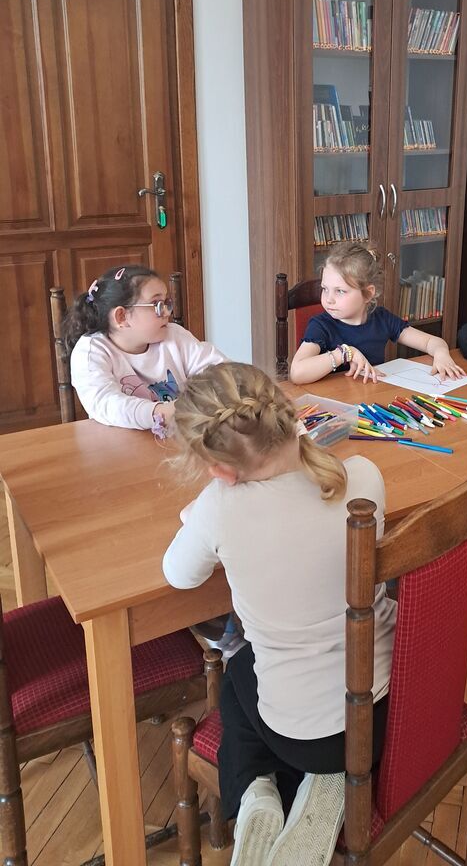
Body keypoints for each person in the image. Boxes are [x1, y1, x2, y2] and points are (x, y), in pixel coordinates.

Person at [163, 362, 396, 866]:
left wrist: (204, 507)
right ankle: (322, 785)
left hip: (304, 739)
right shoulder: (363, 476)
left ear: (221, 469)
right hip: (383, 716)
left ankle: (255, 790)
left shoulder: (219, 507)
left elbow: (178, 575)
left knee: (238, 672)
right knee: (257, 675)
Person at [64, 264, 226, 437]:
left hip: (179, 439)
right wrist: (162, 413)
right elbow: (105, 404)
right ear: (122, 317)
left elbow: (222, 372)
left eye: (167, 303)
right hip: (122, 443)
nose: (167, 312)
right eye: (157, 305)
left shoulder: (174, 336)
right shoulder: (90, 352)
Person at [289, 241, 464, 384]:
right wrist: (345, 353)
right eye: (325, 289)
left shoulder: (382, 319)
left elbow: (432, 342)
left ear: (368, 293)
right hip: (335, 407)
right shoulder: (321, 326)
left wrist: (441, 354)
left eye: (340, 291)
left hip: (372, 399)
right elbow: (297, 373)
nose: (328, 299)